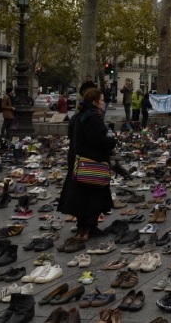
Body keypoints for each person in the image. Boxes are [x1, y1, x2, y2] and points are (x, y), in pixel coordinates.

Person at [57, 88, 125, 241]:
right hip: (92, 163)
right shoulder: (92, 118)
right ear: (94, 102)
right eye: (101, 100)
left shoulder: (77, 116)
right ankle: (89, 227)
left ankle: (83, 225)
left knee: (81, 196)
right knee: (92, 196)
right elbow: (98, 140)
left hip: (77, 161)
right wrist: (112, 141)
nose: (103, 103)